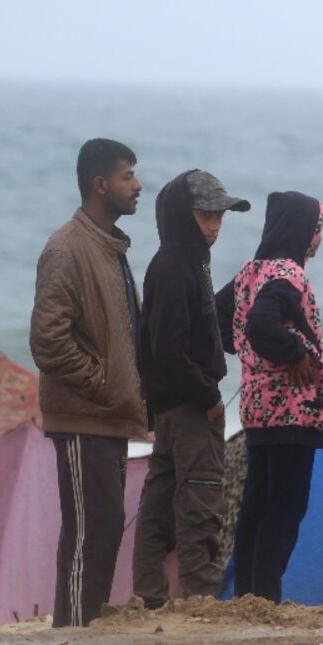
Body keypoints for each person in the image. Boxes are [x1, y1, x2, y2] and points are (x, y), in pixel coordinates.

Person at [30, 138, 146, 627]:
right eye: (127, 177)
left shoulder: (109, 247)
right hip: (84, 417)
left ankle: (87, 631)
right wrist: (101, 384)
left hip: (109, 418)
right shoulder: (67, 248)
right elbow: (47, 339)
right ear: (100, 185)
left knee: (104, 529)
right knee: (86, 535)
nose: (137, 185)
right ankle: (72, 638)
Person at [132, 170, 250, 609]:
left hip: (170, 407)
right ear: (183, 216)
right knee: (200, 500)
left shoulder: (187, 260)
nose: (215, 225)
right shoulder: (176, 266)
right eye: (206, 215)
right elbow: (168, 349)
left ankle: (151, 596)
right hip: (188, 407)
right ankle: (200, 599)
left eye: (220, 215)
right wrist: (208, 396)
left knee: (160, 502)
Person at [216, 191, 323, 603]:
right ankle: (265, 597)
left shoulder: (253, 270)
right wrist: (293, 353)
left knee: (256, 505)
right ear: (303, 231)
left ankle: (248, 595)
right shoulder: (288, 275)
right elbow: (262, 322)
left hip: (258, 410)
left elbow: (216, 313)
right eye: (318, 229)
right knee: (284, 509)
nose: (318, 239)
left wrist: (249, 356)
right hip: (292, 413)